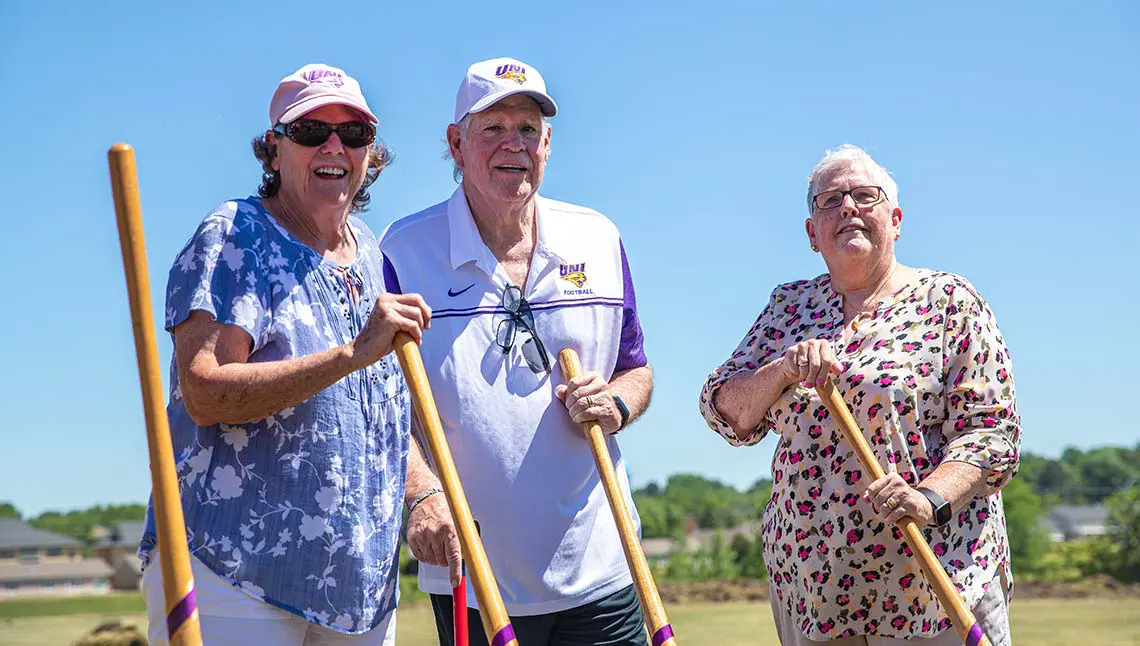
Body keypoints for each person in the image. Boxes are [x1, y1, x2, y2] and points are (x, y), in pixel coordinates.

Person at [139, 63, 431, 645]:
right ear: (274, 150)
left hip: (359, 589)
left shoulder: (369, 253)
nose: (334, 147)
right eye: (311, 131)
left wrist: (423, 494)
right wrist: (350, 353)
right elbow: (205, 392)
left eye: (353, 134)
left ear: (370, 153)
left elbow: (380, 413)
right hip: (235, 572)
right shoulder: (236, 234)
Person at [379, 57, 654, 646]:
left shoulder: (598, 237)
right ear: (456, 145)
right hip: (472, 571)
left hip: (602, 565)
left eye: (528, 128)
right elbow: (380, 407)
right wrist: (420, 492)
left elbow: (635, 371)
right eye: (493, 128)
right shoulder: (402, 251)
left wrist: (616, 404)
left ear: (547, 143)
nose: (514, 144)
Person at [699, 145, 1020, 645]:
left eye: (865, 196)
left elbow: (992, 433)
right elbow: (725, 411)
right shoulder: (789, 307)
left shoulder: (949, 300)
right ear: (812, 234)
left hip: (933, 582)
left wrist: (927, 498)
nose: (848, 207)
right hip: (815, 589)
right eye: (830, 201)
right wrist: (782, 370)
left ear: (896, 220)